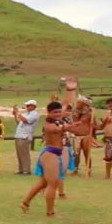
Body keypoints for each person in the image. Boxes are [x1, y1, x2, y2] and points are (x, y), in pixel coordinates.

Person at [21, 78, 88, 216]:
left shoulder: (58, 119)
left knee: (43, 183)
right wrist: (69, 126)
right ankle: (50, 212)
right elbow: (59, 129)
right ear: (49, 113)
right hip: (50, 155)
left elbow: (66, 102)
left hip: (54, 154)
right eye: (55, 113)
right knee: (53, 184)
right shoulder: (50, 126)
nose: (58, 114)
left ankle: (25, 203)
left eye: (59, 112)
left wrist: (70, 89)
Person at [13, 100, 39, 175]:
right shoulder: (27, 114)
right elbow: (19, 122)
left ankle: (26, 170)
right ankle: (21, 169)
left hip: (25, 136)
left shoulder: (34, 114)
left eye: (28, 105)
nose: (26, 107)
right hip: (19, 135)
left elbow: (25, 120)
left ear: (33, 106)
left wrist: (18, 113)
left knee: (24, 154)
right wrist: (15, 115)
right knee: (19, 153)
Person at [72, 95, 96, 176]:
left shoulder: (90, 114)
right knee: (76, 153)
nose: (78, 104)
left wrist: (93, 125)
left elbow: (96, 126)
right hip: (76, 135)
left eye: (80, 102)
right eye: (78, 102)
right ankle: (75, 168)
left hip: (86, 134)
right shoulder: (75, 112)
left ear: (84, 104)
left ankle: (88, 169)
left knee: (86, 152)